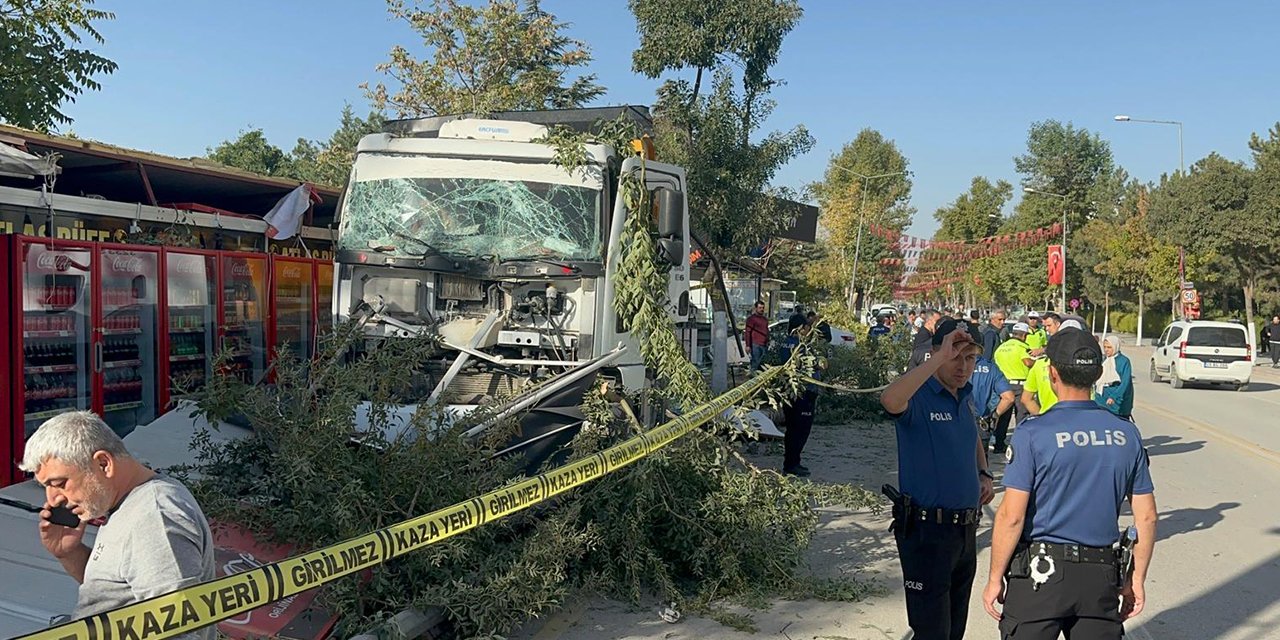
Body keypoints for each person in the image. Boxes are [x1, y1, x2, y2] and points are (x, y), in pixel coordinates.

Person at [983, 328, 1158, 639]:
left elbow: (1012, 516)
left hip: (1040, 576)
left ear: (1052, 373)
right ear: (1098, 373)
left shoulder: (1032, 433)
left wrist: (995, 577)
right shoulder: (1126, 433)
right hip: (1100, 577)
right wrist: (1136, 578)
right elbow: (1146, 517)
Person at [21, 411, 216, 639]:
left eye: (59, 483)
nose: (54, 498)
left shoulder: (155, 517)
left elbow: (179, 630)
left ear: (104, 464)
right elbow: (119, 592)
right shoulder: (129, 503)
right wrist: (70, 553)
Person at [880, 319, 996, 640]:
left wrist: (983, 472)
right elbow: (890, 400)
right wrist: (938, 360)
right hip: (927, 534)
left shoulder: (963, 396)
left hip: (965, 532)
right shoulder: (918, 396)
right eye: (955, 356)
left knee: (953, 631)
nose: (963, 366)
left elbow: (971, 433)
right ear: (935, 353)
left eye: (970, 358)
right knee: (933, 632)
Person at [991, 322, 1036, 455]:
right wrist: (1037, 361)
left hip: (1003, 385)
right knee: (1021, 415)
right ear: (1024, 335)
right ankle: (1020, 444)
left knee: (1004, 416)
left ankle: (999, 444)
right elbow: (1027, 362)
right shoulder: (1022, 347)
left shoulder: (1001, 347)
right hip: (1020, 384)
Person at [1021, 315, 1072, 417]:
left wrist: (1041, 417)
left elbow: (1026, 399)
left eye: (1049, 325)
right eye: (1045, 326)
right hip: (1072, 418)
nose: (1047, 329)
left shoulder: (1040, 364)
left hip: (1049, 419)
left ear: (1058, 325)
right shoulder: (1041, 363)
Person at [1095, 336, 1134, 419]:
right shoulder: (1104, 360)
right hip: (1102, 398)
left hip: (1116, 399)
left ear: (1115, 346)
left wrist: (1114, 397)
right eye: (1105, 347)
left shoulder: (1123, 361)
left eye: (1109, 347)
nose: (1106, 350)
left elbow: (1125, 382)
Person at [745, 300, 770, 372]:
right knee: (755, 363)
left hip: (764, 345)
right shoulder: (751, 319)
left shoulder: (765, 319)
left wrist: (768, 340)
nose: (761, 309)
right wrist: (748, 345)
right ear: (756, 308)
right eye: (760, 308)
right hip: (755, 344)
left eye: (763, 308)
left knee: (763, 365)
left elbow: (766, 330)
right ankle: (752, 378)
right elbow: (748, 332)